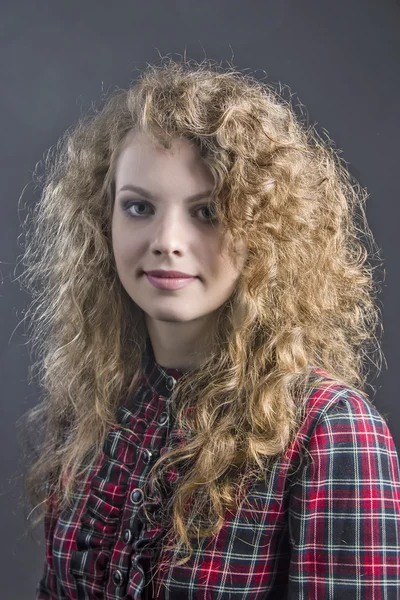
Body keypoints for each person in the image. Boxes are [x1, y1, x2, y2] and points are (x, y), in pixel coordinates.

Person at [18, 57, 400, 599]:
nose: (167, 240)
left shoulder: (331, 431)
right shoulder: (91, 414)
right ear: (102, 221)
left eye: (207, 212)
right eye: (139, 207)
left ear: (266, 232)